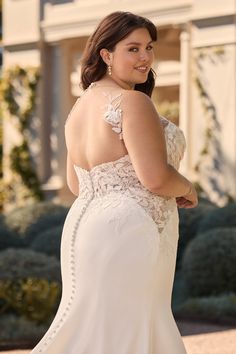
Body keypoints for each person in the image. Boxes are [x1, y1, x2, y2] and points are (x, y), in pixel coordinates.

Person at [31, 11, 198, 354]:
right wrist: (188, 188)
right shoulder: (132, 102)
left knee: (94, 325)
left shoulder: (78, 109)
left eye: (149, 48)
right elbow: (156, 177)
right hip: (131, 230)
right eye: (133, 49)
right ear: (106, 55)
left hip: (84, 225)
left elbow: (75, 184)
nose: (145, 57)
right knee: (130, 326)